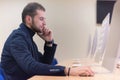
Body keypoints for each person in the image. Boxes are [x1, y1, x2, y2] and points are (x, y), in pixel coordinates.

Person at [1, 2, 94, 80]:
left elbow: (44, 64)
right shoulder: (18, 38)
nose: (44, 23)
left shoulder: (27, 38)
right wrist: (67, 70)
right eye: (41, 19)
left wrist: (49, 42)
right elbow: (31, 67)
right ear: (29, 19)